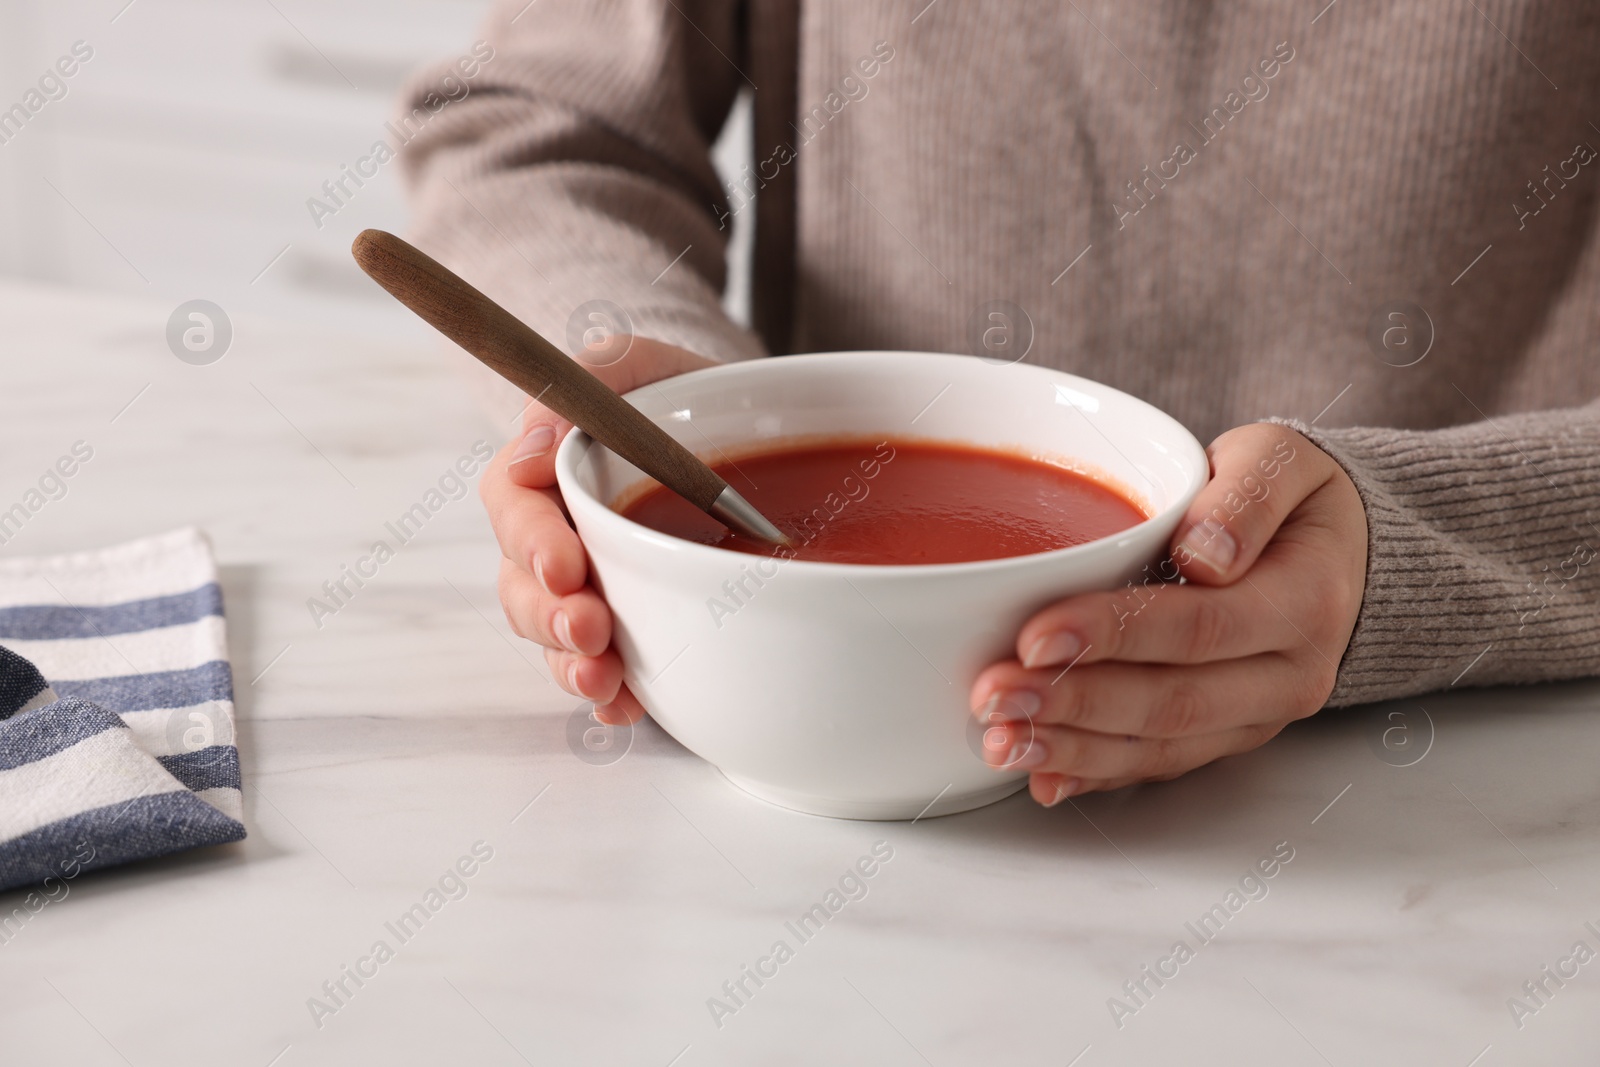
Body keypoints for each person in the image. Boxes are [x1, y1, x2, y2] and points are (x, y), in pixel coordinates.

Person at [399, 1, 1600, 806]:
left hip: (1459, 792)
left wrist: (1428, 544)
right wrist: (674, 388)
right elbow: (538, 126)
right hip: (786, 770)